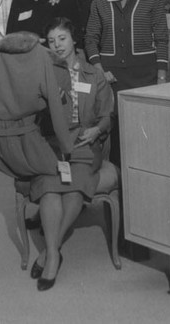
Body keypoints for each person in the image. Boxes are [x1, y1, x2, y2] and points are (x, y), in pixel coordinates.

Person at [27, 17, 113, 291]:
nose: (57, 45)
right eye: (51, 41)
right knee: (51, 190)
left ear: (74, 40)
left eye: (62, 39)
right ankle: (54, 253)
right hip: (53, 143)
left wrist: (97, 131)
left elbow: (106, 115)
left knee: (74, 190)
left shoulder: (93, 74)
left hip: (85, 143)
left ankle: (48, 253)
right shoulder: (44, 72)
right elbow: (33, 115)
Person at [85, 0, 169, 164]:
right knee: (116, 142)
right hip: (111, 79)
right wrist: (99, 68)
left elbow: (162, 38)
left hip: (146, 77)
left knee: (147, 138)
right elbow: (90, 37)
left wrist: (161, 78)